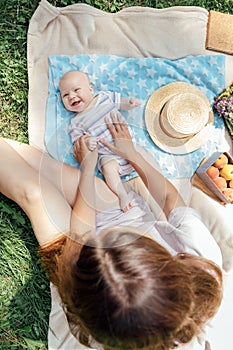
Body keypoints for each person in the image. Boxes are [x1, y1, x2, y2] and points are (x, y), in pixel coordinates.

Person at [0, 113, 223, 350]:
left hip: (75, 257)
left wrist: (87, 168)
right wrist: (131, 154)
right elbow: (168, 197)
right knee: (52, 171)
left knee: (34, 193)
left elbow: (80, 237)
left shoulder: (98, 323)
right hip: (115, 221)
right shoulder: (202, 253)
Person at [59, 70, 141, 212]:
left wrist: (130, 103)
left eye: (76, 90)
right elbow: (79, 144)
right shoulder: (75, 123)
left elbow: (121, 103)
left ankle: (152, 181)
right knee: (107, 166)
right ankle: (122, 195)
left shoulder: (104, 98)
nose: (71, 96)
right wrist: (88, 141)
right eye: (65, 95)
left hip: (129, 146)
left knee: (143, 155)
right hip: (109, 155)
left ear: (91, 89)